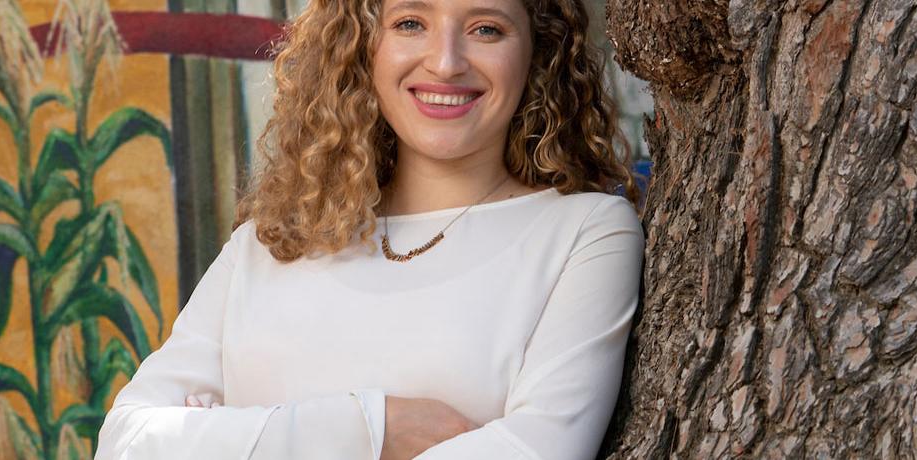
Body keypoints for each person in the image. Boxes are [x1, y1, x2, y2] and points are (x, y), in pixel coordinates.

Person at [95, 0, 642, 457]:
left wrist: (239, 436)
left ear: (537, 52)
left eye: (486, 29)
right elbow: (129, 442)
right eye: (410, 23)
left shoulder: (586, 233)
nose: (446, 62)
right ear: (361, 46)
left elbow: (537, 450)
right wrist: (377, 428)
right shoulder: (268, 245)